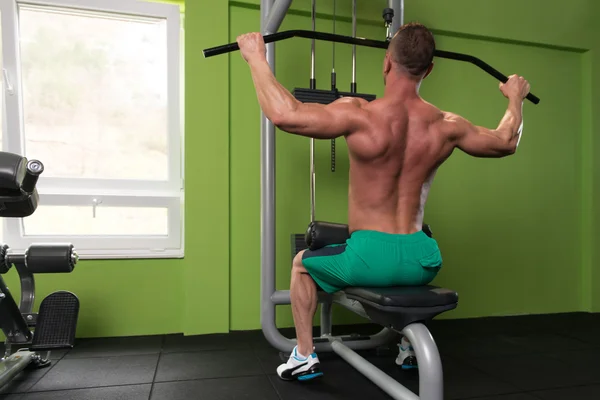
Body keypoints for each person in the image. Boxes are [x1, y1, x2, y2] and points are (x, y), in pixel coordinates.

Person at [236, 22, 530, 381]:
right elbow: (506, 141)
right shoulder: (447, 125)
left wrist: (256, 59)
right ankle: (407, 348)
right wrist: (514, 97)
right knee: (406, 261)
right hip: (423, 258)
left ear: (387, 63)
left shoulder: (360, 114)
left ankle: (304, 354)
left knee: (301, 264)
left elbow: (286, 115)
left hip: (368, 258)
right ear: (429, 69)